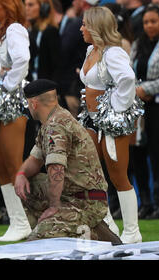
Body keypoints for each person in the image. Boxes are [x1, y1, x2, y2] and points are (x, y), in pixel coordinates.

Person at [13, 79, 121, 244]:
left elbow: (56, 168)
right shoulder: (53, 120)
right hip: (72, 195)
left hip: (85, 202)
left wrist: (54, 207)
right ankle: (84, 228)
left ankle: (81, 230)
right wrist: (21, 174)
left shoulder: (56, 125)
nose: (28, 108)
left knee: (36, 243)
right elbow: (35, 159)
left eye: (28, 103)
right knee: (30, 183)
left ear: (34, 104)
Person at [78, 6, 143, 244]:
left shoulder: (113, 53)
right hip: (90, 119)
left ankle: (132, 232)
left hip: (110, 121)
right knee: (91, 174)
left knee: (118, 176)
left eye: (85, 24)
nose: (81, 28)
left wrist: (115, 107)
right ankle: (108, 225)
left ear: (96, 27)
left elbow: (127, 79)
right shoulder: (90, 50)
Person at [0, 0, 32, 241]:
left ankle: (25, 220)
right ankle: (16, 222)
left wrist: (7, 84)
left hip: (11, 100)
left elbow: (22, 61)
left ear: (6, 4)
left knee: (14, 163)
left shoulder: (15, 29)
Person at [131, 4, 159, 219]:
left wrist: (146, 89)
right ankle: (146, 203)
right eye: (146, 22)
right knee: (138, 155)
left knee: (157, 155)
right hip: (138, 108)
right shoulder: (137, 44)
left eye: (153, 21)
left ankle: (158, 203)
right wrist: (136, 90)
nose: (149, 26)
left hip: (157, 106)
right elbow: (128, 73)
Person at [60, 0, 102, 118]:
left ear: (83, 3)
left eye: (76, 0)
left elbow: (63, 53)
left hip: (75, 91)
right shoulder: (102, 23)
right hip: (91, 94)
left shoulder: (74, 25)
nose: (73, 3)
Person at [24, 0, 61, 82]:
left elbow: (56, 66)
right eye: (26, 5)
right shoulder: (26, 31)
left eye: (31, 5)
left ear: (44, 8)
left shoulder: (50, 32)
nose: (26, 8)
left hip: (43, 88)